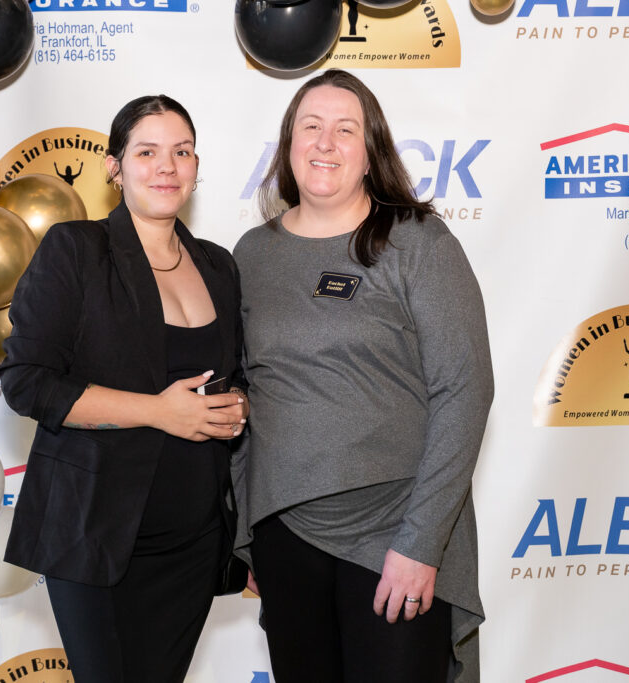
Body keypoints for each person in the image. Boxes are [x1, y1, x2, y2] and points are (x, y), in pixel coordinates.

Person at [232, 70, 494, 683]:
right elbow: (243, 400)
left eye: (345, 130)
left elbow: (465, 391)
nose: (325, 143)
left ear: (371, 151)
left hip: (394, 532)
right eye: (311, 127)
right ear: (288, 145)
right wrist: (246, 530)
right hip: (284, 535)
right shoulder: (251, 254)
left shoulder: (418, 243)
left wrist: (420, 544)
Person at [0, 94, 248, 683]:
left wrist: (238, 404)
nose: (167, 167)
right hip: (96, 535)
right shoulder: (76, 249)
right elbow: (27, 382)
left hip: (193, 542)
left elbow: (231, 376)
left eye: (182, 152)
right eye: (147, 152)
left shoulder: (219, 265)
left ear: (196, 165)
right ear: (115, 167)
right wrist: (158, 412)